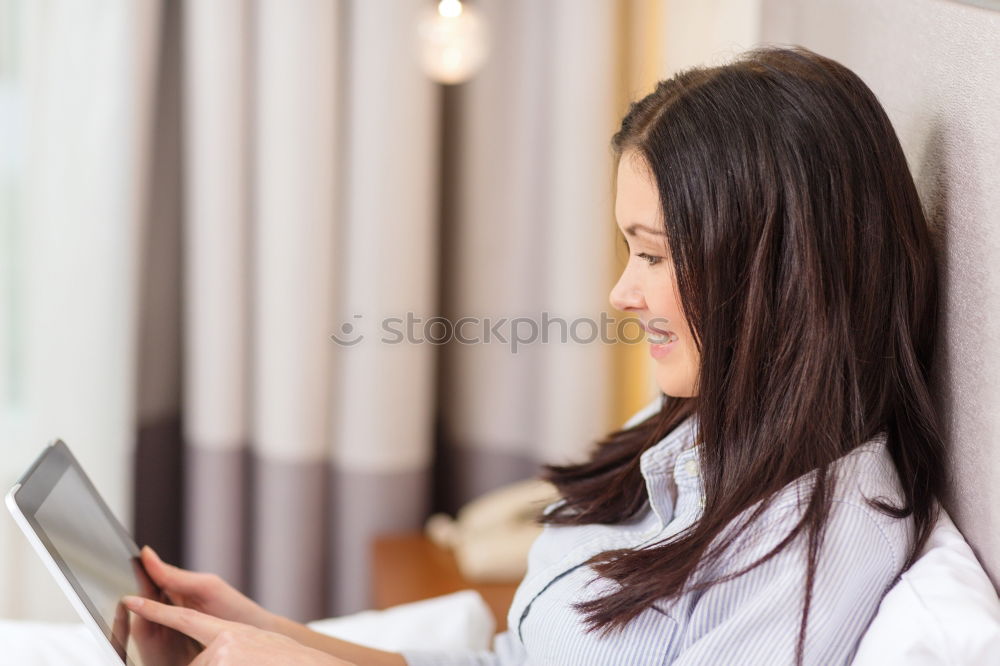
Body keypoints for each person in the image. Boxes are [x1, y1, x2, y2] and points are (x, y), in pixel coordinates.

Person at [122, 43, 945, 665]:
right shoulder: (690, 424)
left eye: (654, 254)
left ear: (776, 267)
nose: (623, 294)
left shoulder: (817, 548)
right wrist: (269, 634)